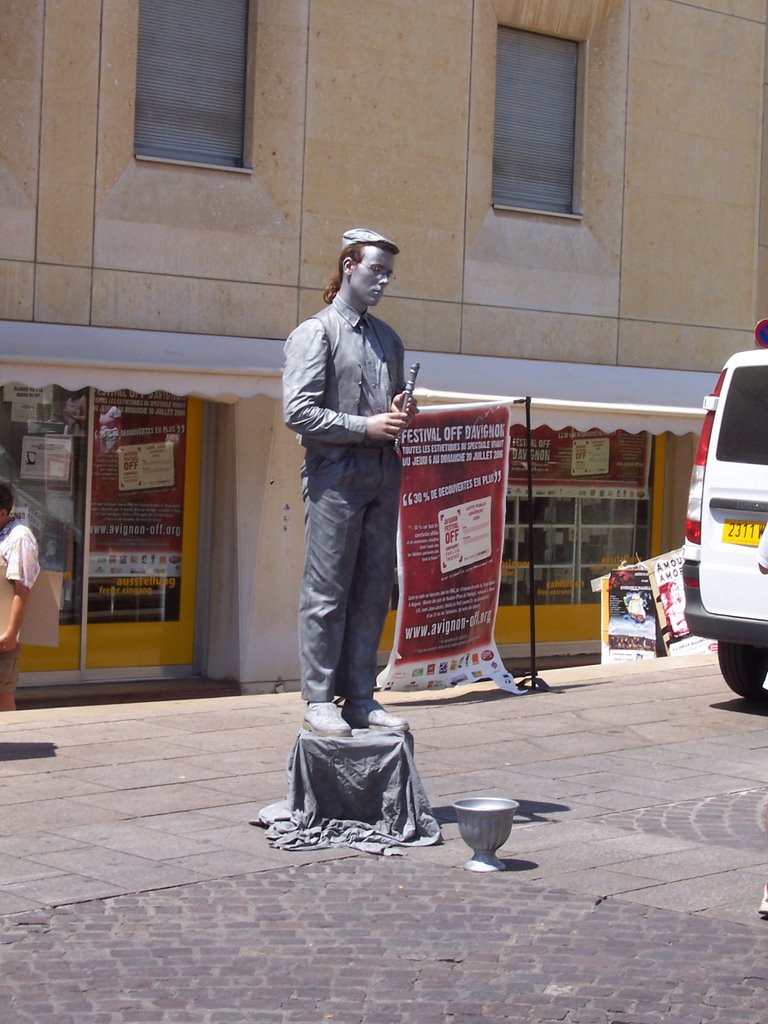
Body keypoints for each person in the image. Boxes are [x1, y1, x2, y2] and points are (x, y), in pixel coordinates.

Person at [283, 227, 418, 737]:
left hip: (383, 475)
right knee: (326, 592)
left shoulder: (389, 339)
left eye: (388, 273)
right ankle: (319, 699)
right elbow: (297, 412)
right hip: (335, 478)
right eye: (374, 270)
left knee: (373, 590)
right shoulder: (316, 333)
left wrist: (402, 411)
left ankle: (360, 695)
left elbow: (391, 407)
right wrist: (365, 426)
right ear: (348, 267)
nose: (382, 281)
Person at [0, 483, 40, 712]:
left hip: (4, 630)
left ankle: (10, 745)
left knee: (2, 692)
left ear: (3, 513)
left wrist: (12, 633)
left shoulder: (19, 537)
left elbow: (22, 588)